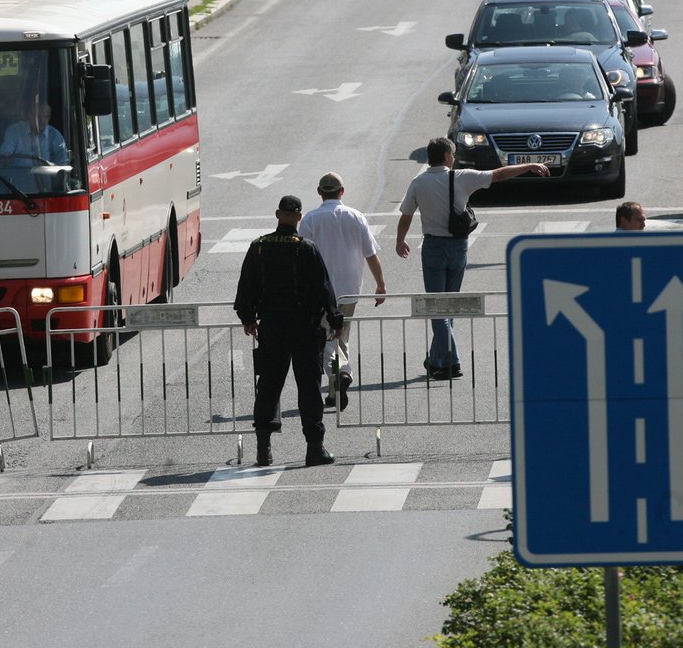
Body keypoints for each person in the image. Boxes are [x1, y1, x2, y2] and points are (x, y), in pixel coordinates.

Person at [395, 138, 549, 380]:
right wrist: (528, 166)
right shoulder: (461, 177)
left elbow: (405, 217)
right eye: (453, 154)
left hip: (433, 247)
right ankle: (438, 359)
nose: (454, 158)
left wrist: (400, 240)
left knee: (438, 307)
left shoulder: (418, 182)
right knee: (448, 307)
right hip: (458, 247)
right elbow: (498, 174)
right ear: (447, 156)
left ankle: (450, 361)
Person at [235, 195, 345, 468]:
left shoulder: (259, 247)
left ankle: (264, 450)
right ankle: (314, 449)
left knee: (269, 387)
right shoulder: (305, 248)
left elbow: (245, 289)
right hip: (304, 329)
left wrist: (249, 319)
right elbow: (324, 288)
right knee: (308, 388)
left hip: (271, 327)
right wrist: (335, 320)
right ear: (298, 217)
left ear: (277, 214)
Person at [298, 172, 386, 411]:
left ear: (319, 192)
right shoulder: (356, 217)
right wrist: (380, 285)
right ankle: (335, 391)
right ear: (342, 192)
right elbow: (371, 254)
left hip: (319, 292)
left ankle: (342, 373)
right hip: (349, 290)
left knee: (326, 338)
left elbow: (301, 259)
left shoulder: (310, 220)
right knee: (341, 336)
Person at [0, 101, 68, 167]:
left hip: (45, 177)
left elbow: (62, 164)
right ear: (29, 115)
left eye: (46, 116)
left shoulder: (54, 135)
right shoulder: (15, 131)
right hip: (16, 177)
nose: (42, 120)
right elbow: (4, 159)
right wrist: (8, 158)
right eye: (38, 116)